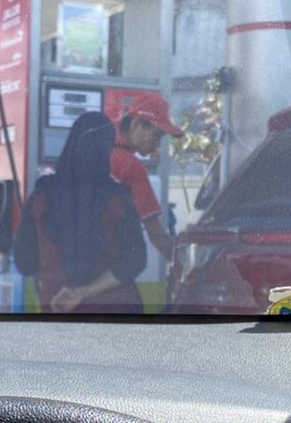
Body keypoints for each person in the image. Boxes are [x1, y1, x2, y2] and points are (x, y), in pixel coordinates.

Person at [13, 112, 147, 313]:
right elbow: (135, 261)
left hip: (58, 310)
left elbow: (25, 264)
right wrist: (83, 292)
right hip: (116, 316)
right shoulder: (118, 199)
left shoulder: (40, 198)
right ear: (106, 149)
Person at [111, 92, 183, 264]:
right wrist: (184, 267)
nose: (157, 144)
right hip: (100, 268)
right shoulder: (131, 166)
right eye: (156, 135)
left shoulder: (93, 144)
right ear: (136, 124)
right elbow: (156, 233)